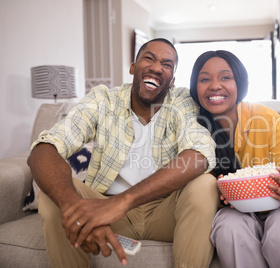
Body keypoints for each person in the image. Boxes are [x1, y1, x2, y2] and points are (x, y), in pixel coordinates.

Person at [27, 38, 219, 268]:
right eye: (149, 58)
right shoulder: (103, 100)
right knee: (52, 195)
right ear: (132, 67)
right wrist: (74, 210)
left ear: (172, 80)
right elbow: (44, 150)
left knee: (205, 184)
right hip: (107, 211)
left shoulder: (182, 101)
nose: (157, 67)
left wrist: (123, 201)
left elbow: (198, 155)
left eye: (167, 64)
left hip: (165, 212)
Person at [189, 50, 280, 268]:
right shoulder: (192, 129)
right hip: (236, 213)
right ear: (195, 88)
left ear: (240, 83)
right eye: (205, 79)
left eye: (225, 77)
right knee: (229, 227)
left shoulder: (268, 119)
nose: (215, 85)